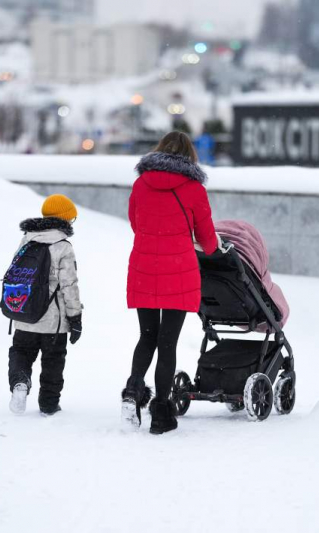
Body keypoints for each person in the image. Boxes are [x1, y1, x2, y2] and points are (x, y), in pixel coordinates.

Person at [123, 131, 219, 434]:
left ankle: (132, 390)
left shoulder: (141, 183)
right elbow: (209, 240)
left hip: (144, 268)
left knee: (147, 336)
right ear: (189, 154)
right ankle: (161, 413)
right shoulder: (193, 189)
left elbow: (136, 223)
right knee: (167, 342)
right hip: (178, 272)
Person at [7, 194, 83, 416]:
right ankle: (49, 404)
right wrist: (75, 317)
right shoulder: (63, 247)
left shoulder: (27, 240)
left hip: (25, 313)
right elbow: (69, 286)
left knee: (21, 351)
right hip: (53, 321)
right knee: (53, 361)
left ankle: (20, 382)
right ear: (65, 220)